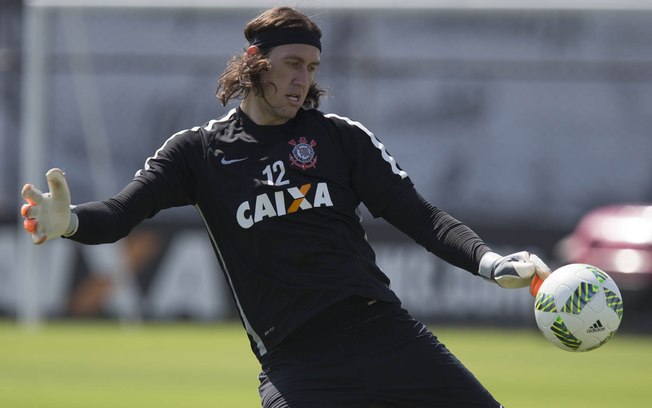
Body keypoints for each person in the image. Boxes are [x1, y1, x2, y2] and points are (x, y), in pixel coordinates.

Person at [20, 6, 551, 408]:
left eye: (312, 67)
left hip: (384, 334)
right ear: (256, 62)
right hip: (296, 361)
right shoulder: (198, 151)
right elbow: (118, 215)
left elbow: (423, 217)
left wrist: (490, 261)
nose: (303, 79)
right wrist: (68, 221)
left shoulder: (341, 139)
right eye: (292, 64)